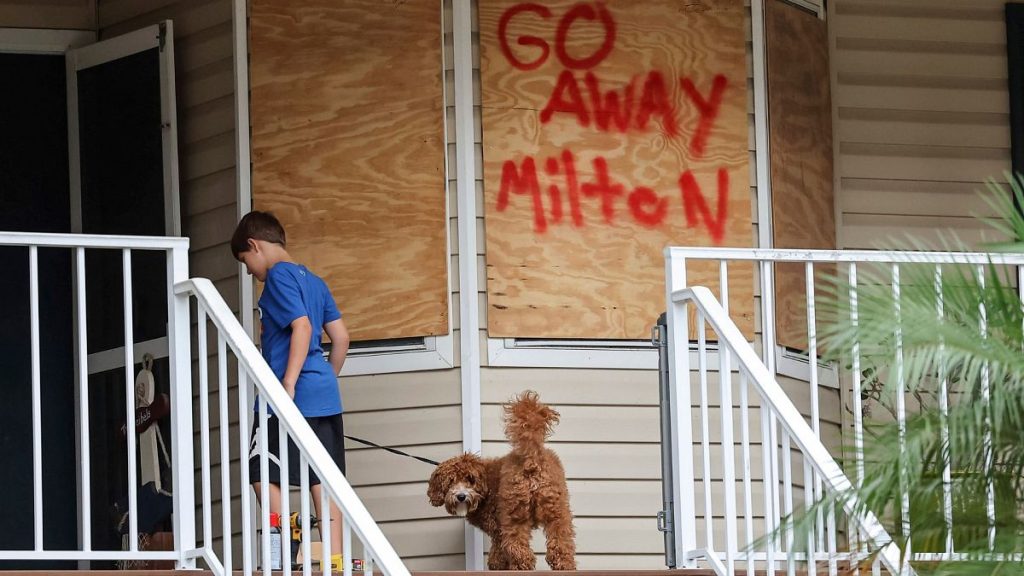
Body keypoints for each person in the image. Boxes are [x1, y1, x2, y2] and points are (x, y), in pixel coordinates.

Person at [231, 210, 350, 570]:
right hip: (324, 395)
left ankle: (288, 533)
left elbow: (300, 327)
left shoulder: (278, 278)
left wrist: (289, 384)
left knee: (261, 471)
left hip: (286, 397)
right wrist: (322, 381)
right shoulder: (314, 281)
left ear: (254, 245)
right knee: (323, 480)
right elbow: (341, 338)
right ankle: (333, 559)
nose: (250, 272)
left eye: (246, 262)